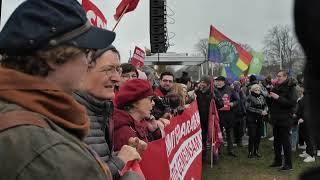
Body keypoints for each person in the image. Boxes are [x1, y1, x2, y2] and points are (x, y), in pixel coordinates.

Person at [0, 0, 125, 179]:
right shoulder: (51, 153)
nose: (88, 62)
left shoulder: (17, 109)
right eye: (87, 52)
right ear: (55, 57)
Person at [74, 46, 145, 179]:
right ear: (82, 71)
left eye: (118, 70)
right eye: (108, 70)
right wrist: (120, 160)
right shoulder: (70, 117)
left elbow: (99, 161)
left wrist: (124, 152)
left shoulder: (100, 110)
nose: (117, 78)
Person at [113, 79, 169, 151]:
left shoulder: (140, 124)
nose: (153, 103)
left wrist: (154, 131)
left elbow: (154, 152)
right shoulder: (124, 132)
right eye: (150, 99)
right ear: (135, 102)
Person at [268, 70, 297, 171]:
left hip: (285, 119)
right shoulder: (276, 86)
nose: (278, 78)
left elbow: (292, 103)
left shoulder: (291, 88)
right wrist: (270, 97)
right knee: (276, 142)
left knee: (286, 142)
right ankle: (277, 161)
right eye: (277, 76)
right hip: (276, 119)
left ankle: (288, 165)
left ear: (285, 77)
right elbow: (273, 102)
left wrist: (278, 97)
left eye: (280, 76)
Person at [196, 75, 223, 159]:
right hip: (200, 119)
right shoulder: (197, 92)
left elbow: (221, 104)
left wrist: (214, 98)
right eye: (201, 82)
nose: (201, 84)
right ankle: (203, 155)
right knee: (202, 138)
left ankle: (214, 155)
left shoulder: (213, 91)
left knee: (213, 137)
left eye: (203, 82)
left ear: (208, 84)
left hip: (211, 119)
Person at [215, 76, 239, 157]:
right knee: (218, 133)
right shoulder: (214, 90)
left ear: (223, 82)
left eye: (219, 81)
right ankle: (218, 150)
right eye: (217, 81)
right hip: (218, 114)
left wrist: (232, 104)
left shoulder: (230, 89)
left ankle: (231, 150)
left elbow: (237, 100)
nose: (217, 82)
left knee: (229, 132)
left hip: (229, 114)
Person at [246, 84, 268, 158]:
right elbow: (248, 108)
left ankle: (256, 151)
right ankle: (250, 152)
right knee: (252, 136)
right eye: (256, 90)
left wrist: (265, 110)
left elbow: (265, 105)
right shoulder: (249, 97)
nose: (258, 91)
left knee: (258, 136)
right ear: (252, 90)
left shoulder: (261, 97)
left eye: (259, 89)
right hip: (252, 119)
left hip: (260, 119)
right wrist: (260, 111)